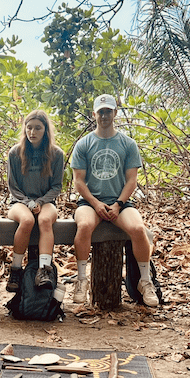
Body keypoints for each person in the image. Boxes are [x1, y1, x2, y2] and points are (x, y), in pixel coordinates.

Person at [70, 94, 157, 307]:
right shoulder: (84, 144)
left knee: (138, 229)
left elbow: (131, 180)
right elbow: (79, 182)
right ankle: (82, 279)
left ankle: (145, 281)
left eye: (108, 111)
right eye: (101, 112)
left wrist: (118, 204)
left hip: (121, 202)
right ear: (94, 114)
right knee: (84, 226)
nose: (104, 116)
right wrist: (96, 203)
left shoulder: (127, 144)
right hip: (91, 202)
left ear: (115, 113)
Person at [5, 109, 66, 292]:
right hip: (18, 202)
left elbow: (56, 186)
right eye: (29, 128)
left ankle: (44, 269)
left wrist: (40, 201)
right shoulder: (15, 153)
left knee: (45, 220)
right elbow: (13, 187)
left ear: (45, 130)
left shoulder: (56, 154)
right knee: (27, 220)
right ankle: (15, 269)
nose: (32, 132)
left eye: (37, 128)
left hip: (46, 202)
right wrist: (28, 203)